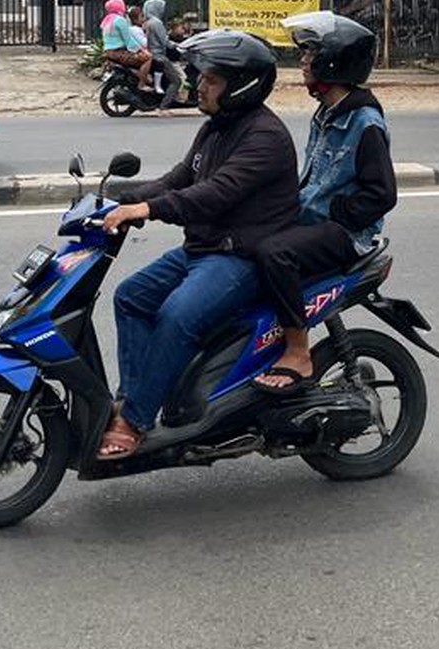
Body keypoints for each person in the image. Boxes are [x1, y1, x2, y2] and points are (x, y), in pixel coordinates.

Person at [96, 29, 300, 459]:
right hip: (203, 250)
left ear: (240, 86)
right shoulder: (216, 129)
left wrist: (147, 212)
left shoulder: (265, 137)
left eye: (210, 80)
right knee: (130, 296)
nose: (198, 85)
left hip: (238, 257)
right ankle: (135, 395)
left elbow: (214, 193)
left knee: (176, 316)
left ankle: (134, 420)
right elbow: (178, 179)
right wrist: (119, 198)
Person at [252, 10, 397, 393]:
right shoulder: (328, 113)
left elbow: (383, 194)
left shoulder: (364, 122)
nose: (303, 61)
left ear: (334, 60)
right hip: (316, 222)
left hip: (345, 234)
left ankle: (298, 352)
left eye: (310, 53)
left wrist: (334, 214)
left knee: (275, 253)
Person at [100, 0, 154, 93]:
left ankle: (137, 74)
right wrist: (141, 50)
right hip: (119, 52)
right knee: (148, 58)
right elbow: (128, 40)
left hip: (109, 52)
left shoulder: (107, 20)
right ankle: (141, 84)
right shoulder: (120, 20)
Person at [142, 0, 184, 111]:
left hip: (151, 55)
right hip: (159, 56)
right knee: (177, 81)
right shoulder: (156, 23)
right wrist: (177, 46)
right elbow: (164, 41)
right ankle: (164, 106)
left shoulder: (148, 22)